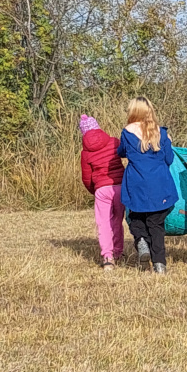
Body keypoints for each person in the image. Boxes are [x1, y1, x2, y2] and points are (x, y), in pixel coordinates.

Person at [117, 97, 178, 274]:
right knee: (156, 224)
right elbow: (169, 159)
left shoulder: (127, 132)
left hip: (136, 183)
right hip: (159, 183)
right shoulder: (161, 133)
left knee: (136, 216)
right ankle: (159, 263)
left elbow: (121, 152)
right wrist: (168, 143)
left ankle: (141, 241)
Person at [79, 114, 125, 271]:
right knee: (117, 220)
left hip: (101, 189)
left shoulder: (85, 153)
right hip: (119, 186)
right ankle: (118, 251)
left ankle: (107, 257)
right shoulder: (114, 142)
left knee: (103, 222)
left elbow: (86, 177)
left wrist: (94, 189)